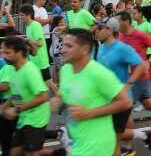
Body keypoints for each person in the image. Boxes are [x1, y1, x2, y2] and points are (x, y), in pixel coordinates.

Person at [50, 28, 132, 156]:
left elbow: (125, 102)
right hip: (78, 142)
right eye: (63, 45)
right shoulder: (65, 70)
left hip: (98, 145)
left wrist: (88, 113)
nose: (62, 50)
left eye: (69, 46)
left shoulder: (98, 73)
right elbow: (64, 93)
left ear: (85, 49)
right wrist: (57, 99)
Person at [95, 17, 151, 155]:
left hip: (120, 99)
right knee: (109, 136)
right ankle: (145, 135)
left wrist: (128, 85)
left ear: (110, 30)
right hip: (106, 98)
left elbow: (141, 66)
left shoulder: (122, 48)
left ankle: (139, 140)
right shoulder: (100, 47)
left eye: (100, 28)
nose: (96, 31)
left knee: (111, 139)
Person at [1, 36, 51, 156]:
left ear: (19, 53)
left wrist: (17, 109)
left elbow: (44, 96)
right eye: (3, 52)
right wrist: (4, 109)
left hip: (37, 119)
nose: (4, 56)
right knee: (15, 153)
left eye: (8, 53)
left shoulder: (30, 70)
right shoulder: (12, 69)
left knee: (30, 153)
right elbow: (16, 95)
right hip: (25, 118)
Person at [19, 4, 59, 96]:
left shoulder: (35, 25)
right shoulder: (28, 26)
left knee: (49, 83)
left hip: (40, 61)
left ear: (28, 14)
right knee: (42, 84)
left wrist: (26, 40)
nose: (21, 17)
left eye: (22, 15)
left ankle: (61, 99)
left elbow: (39, 43)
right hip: (34, 61)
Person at [0, 57, 16, 156]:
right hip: (6, 103)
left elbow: (6, 87)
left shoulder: (5, 65)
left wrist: (4, 107)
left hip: (10, 103)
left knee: (25, 131)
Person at [49, 15, 67, 84]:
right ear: (57, 23)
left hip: (55, 51)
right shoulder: (57, 29)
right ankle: (62, 84)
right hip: (57, 52)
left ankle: (55, 83)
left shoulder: (60, 29)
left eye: (63, 21)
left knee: (56, 68)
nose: (63, 23)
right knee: (62, 69)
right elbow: (65, 29)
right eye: (61, 22)